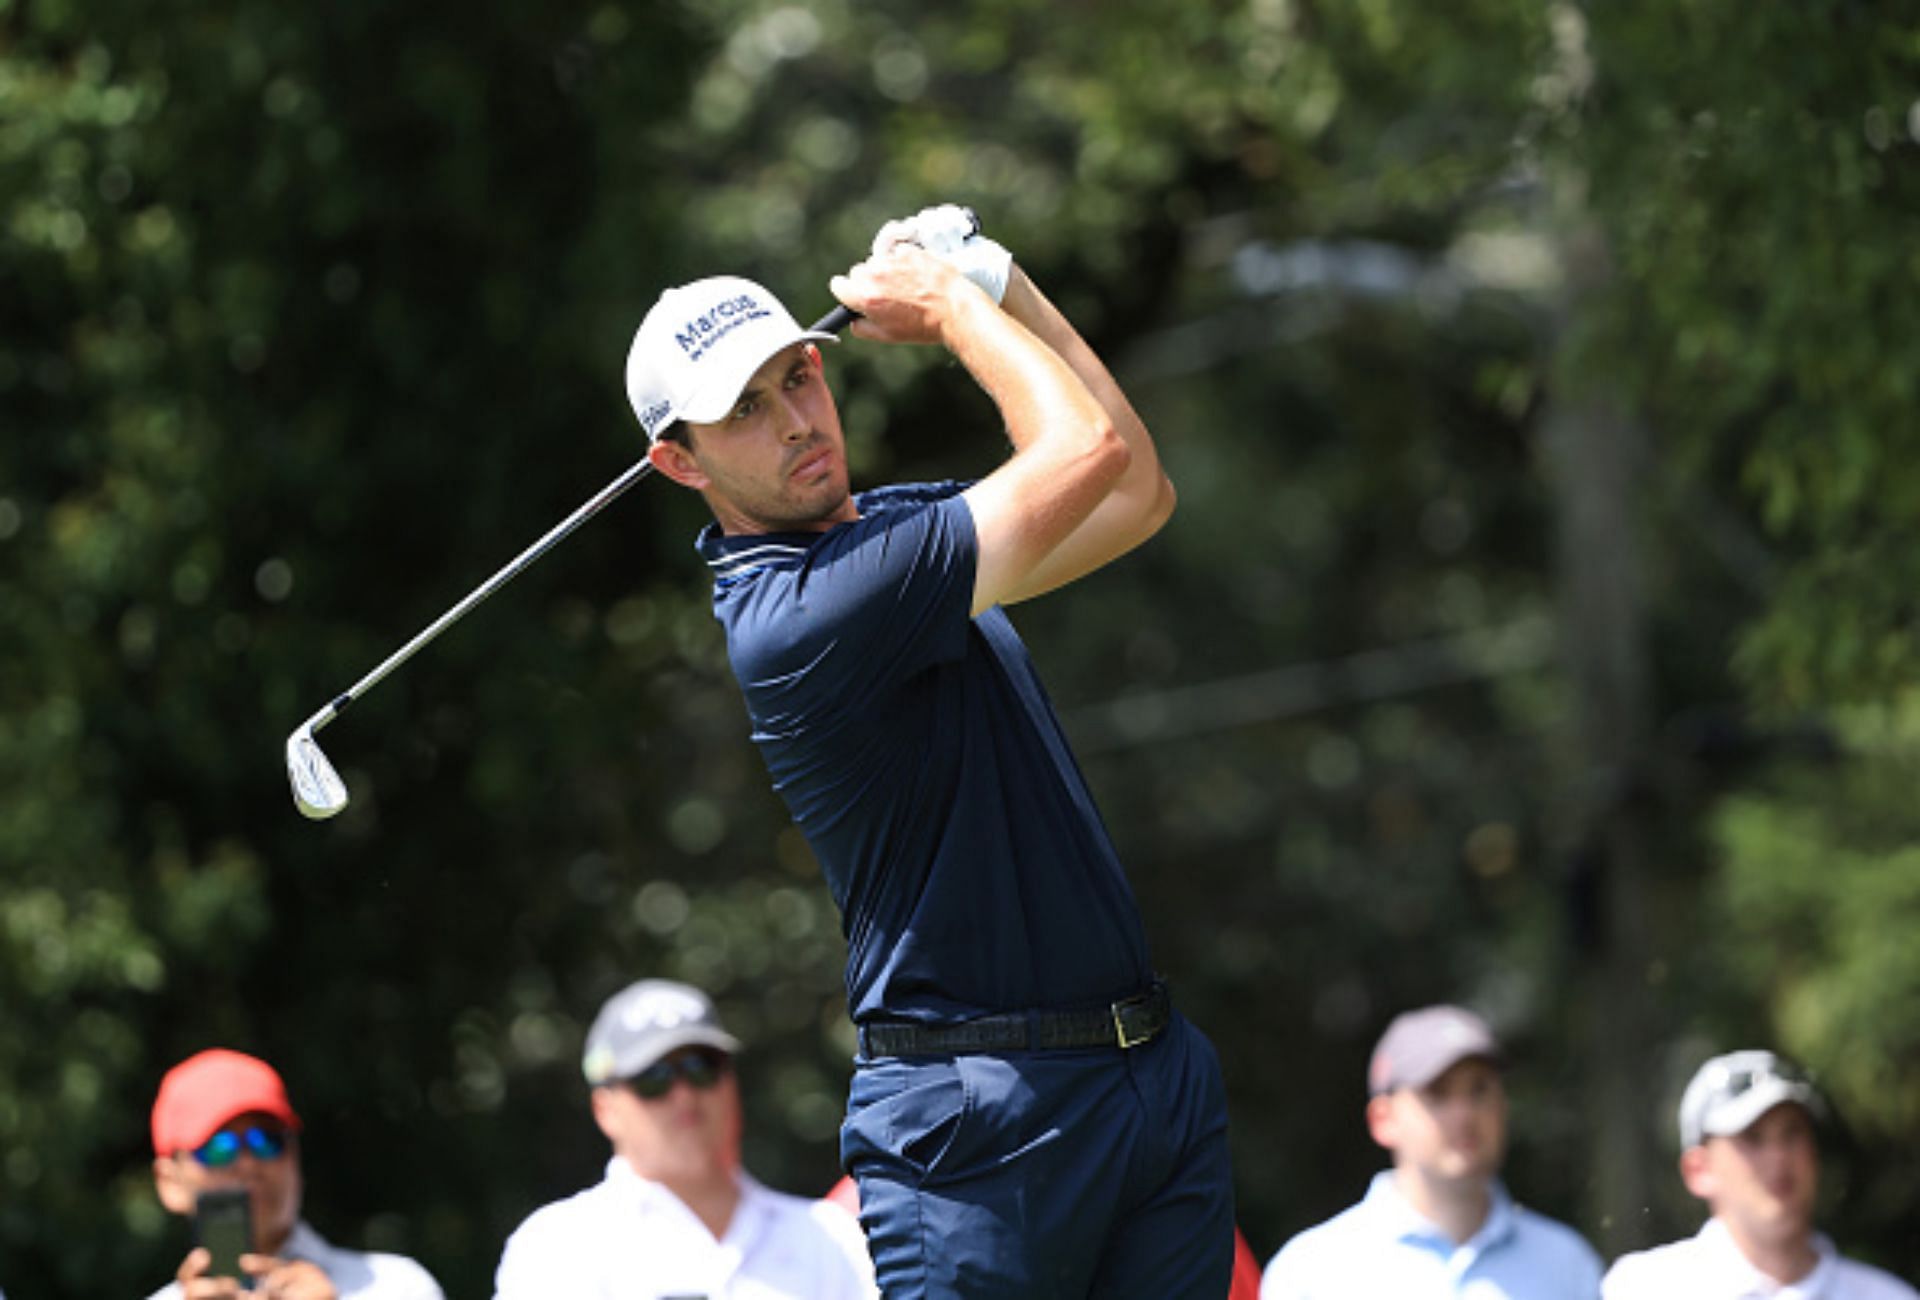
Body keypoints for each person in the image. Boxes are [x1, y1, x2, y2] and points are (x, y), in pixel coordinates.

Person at [628, 204, 1233, 1298]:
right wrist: (955, 306)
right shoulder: (799, 613)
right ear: (679, 461)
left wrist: (1000, 278)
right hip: (977, 1127)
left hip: (1146, 1076)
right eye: (747, 411)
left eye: (798, 378)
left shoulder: (890, 539)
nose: (796, 422)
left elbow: (1135, 488)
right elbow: (1081, 448)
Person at [492, 978, 877, 1299]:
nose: (684, 1094)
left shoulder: (832, 1238)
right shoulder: (554, 1247)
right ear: (604, 1109)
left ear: (731, 1083)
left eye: (701, 1067)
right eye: (652, 1077)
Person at [1260, 1004, 1603, 1299]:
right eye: (1436, 1093)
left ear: (1503, 1106)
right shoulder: (1310, 1273)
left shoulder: (1569, 1266)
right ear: (1384, 1119)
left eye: (1479, 1090)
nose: (1465, 1114)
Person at [1602, 1048, 1918, 1299]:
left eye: (1792, 1133)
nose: (1779, 1157)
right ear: (1699, 1170)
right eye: (1752, 1138)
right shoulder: (1641, 1290)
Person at [147, 1048, 445, 1300]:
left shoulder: (397, 1287)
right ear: (169, 1182)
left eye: (268, 1141)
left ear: (295, 1159)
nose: (249, 1164)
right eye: (218, 1148)